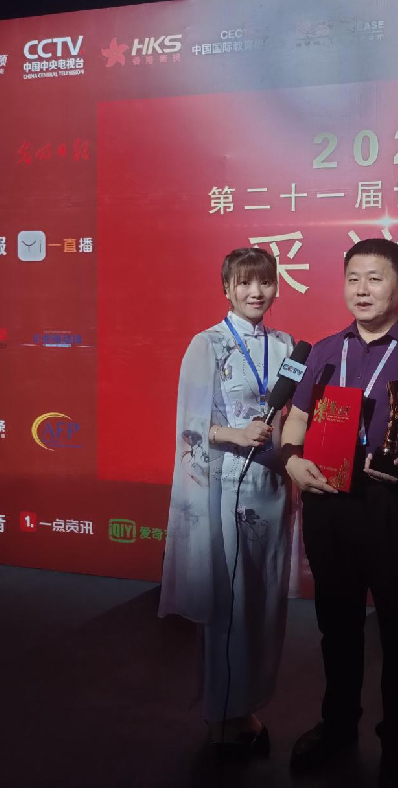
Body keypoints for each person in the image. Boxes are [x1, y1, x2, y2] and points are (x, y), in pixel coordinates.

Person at [281, 238, 398, 787]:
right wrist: (292, 460)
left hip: (395, 506)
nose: (361, 290)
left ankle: (397, 742)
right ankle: (338, 725)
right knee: (337, 624)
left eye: (375, 278)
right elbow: (297, 417)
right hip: (329, 502)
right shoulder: (324, 350)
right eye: (353, 279)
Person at [159, 247, 294, 760]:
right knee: (230, 604)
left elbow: (296, 415)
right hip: (228, 489)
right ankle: (221, 716)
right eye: (244, 283)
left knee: (264, 603)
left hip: (275, 486)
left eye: (264, 282)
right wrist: (236, 434)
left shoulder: (286, 345)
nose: (255, 292)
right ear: (226, 288)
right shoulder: (207, 344)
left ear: (277, 286)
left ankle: (246, 708)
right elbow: (190, 426)